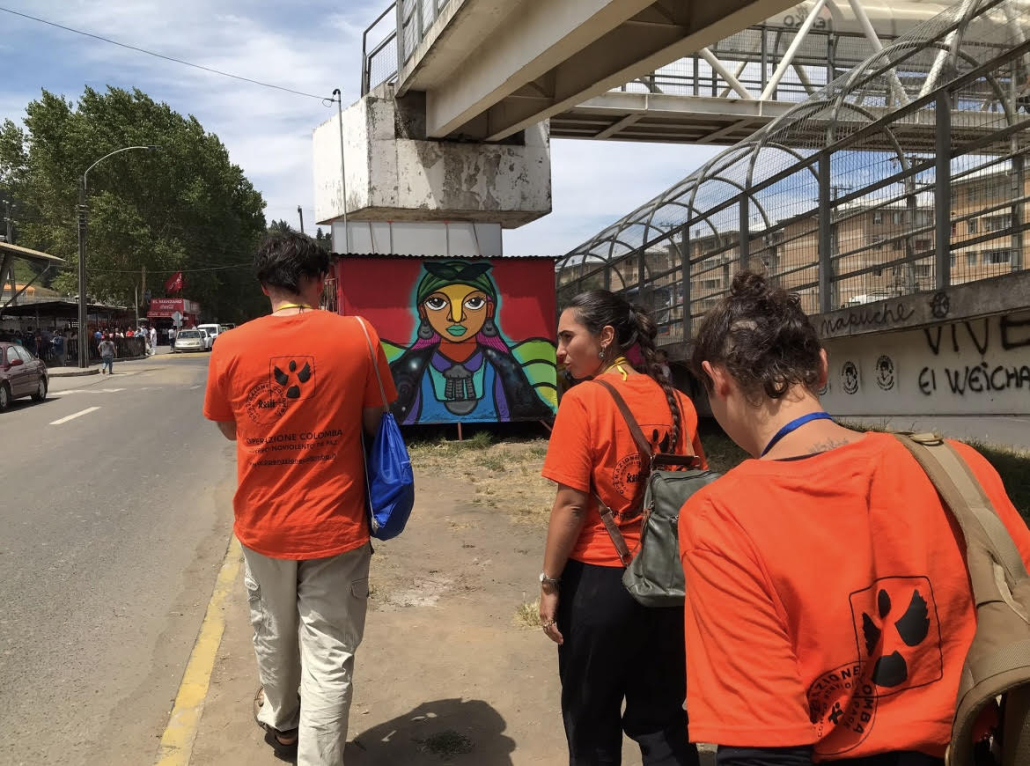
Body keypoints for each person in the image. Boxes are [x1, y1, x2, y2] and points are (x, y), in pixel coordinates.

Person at [680, 272, 1030, 766]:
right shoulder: (958, 466)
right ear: (822, 368)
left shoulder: (721, 517)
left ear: (718, 379)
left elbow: (763, 747)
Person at [203, 231, 397, 765]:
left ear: (264, 285)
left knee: (274, 631)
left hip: (263, 524)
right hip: (337, 523)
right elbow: (374, 422)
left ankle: (284, 723)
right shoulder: (358, 335)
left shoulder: (230, 345)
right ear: (320, 281)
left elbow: (229, 428)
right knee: (329, 654)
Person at [539, 290, 706, 766]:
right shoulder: (678, 402)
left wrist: (549, 583)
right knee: (663, 717)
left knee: (591, 719)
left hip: (600, 580)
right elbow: (693, 487)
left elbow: (572, 504)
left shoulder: (584, 400)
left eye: (568, 337)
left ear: (606, 337)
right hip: (668, 581)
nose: (560, 351)